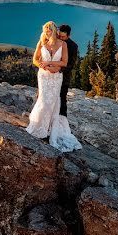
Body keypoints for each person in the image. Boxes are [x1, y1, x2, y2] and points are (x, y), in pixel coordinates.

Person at [25, 21, 83, 152]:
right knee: (43, 99)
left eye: (49, 31)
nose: (47, 33)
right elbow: (35, 59)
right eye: (46, 31)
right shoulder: (42, 42)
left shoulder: (67, 45)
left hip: (58, 76)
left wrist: (53, 66)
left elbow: (67, 63)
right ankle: (39, 125)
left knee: (58, 101)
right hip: (44, 76)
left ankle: (55, 125)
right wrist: (42, 65)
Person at [57, 24, 78, 119]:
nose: (60, 38)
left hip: (63, 77)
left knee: (62, 98)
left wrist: (58, 70)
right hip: (50, 75)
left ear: (68, 36)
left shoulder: (73, 46)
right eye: (59, 36)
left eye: (63, 37)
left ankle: (62, 119)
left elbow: (71, 64)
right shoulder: (55, 41)